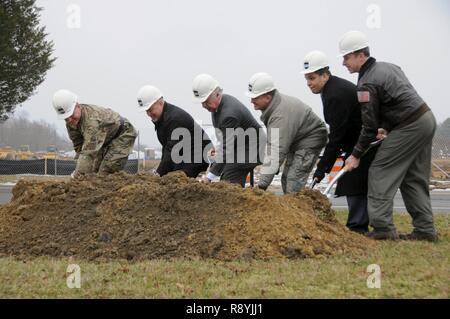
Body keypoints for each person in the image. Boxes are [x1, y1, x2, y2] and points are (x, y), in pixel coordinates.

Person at [339, 30, 438, 241]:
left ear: (360, 55)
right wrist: (387, 126)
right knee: (413, 178)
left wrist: (356, 154)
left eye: (346, 57)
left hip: (409, 126)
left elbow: (368, 125)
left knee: (380, 169)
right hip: (425, 119)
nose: (343, 63)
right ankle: (425, 230)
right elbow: (397, 99)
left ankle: (383, 228)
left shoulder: (366, 82)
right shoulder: (388, 67)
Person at [302, 50, 377, 233]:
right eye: (306, 79)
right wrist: (324, 167)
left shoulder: (335, 94)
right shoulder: (332, 89)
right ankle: (357, 225)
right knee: (353, 182)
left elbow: (336, 135)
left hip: (362, 142)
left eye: (312, 78)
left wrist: (322, 169)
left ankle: (358, 227)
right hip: (355, 141)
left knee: (354, 182)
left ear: (325, 75)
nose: (309, 83)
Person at [246, 72, 327, 193]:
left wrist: (261, 186)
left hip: (310, 140)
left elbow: (276, 150)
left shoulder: (280, 115)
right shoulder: (273, 109)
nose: (252, 101)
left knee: (293, 181)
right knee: (286, 178)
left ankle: (298, 210)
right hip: (297, 140)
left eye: (255, 97)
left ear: (268, 97)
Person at [192, 74, 265, 187]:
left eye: (205, 101)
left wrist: (209, 177)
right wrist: (218, 150)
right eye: (201, 102)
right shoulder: (218, 106)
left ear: (216, 94)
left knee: (228, 180)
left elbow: (228, 148)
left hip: (252, 149)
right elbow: (225, 139)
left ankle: (236, 201)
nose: (203, 105)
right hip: (240, 146)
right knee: (225, 169)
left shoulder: (228, 114)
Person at [52, 89, 137, 178]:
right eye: (66, 118)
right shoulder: (71, 123)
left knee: (106, 172)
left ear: (77, 106)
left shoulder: (92, 122)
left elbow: (88, 153)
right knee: (93, 172)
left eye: (71, 115)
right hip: (104, 140)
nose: (70, 120)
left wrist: (77, 176)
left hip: (122, 134)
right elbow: (79, 147)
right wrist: (78, 169)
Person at [136, 85, 212, 177]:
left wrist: (158, 174)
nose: (148, 114)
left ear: (160, 103)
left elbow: (171, 150)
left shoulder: (175, 119)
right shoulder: (162, 119)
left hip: (199, 157)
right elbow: (167, 148)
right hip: (184, 156)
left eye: (150, 110)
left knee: (177, 179)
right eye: (146, 111)